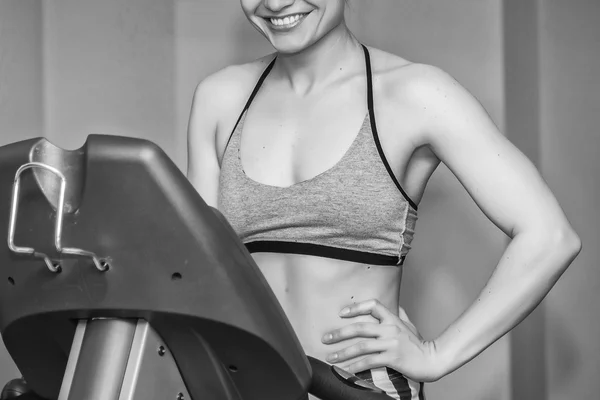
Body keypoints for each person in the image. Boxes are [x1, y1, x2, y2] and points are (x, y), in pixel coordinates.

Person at [186, 1, 581, 399]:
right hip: (243, 385)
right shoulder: (220, 99)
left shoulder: (415, 94)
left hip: (359, 390)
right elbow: (199, 273)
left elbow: (550, 237)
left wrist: (436, 355)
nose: (273, 2)